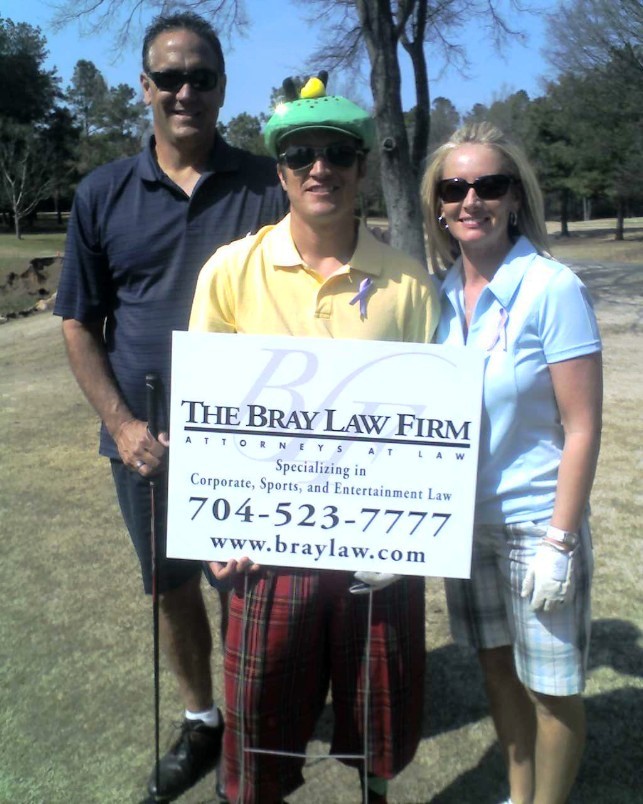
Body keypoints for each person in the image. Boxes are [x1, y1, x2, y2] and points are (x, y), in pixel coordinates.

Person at [53, 11, 287, 803]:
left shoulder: (269, 186)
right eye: (170, 78)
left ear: (223, 88)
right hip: (144, 445)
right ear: (144, 88)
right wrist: (121, 427)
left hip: (250, 443)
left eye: (202, 77)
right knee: (170, 586)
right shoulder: (102, 193)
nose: (186, 91)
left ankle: (255, 725)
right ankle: (201, 722)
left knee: (252, 589)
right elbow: (79, 323)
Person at [188, 77, 439, 803]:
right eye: (301, 155)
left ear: (361, 168)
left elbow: (430, 430)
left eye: (337, 153)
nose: (319, 167)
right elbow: (207, 414)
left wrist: (415, 530)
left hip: (376, 549)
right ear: (281, 173)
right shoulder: (230, 271)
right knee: (259, 719)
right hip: (267, 546)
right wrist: (212, 527)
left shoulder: (409, 283)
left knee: (377, 718)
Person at [420, 122, 602, 804]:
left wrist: (560, 541)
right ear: (438, 206)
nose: (471, 200)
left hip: (536, 523)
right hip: (465, 525)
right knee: (496, 669)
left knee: (552, 689)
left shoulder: (552, 288)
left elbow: (582, 427)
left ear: (516, 197)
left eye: (488, 185)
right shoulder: (436, 297)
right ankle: (518, 794)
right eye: (453, 188)